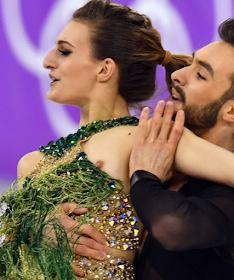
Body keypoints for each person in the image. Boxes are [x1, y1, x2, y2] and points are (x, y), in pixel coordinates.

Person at [1, 0, 234, 279]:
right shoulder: (31, 163)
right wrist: (37, 230)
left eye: (64, 51)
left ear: (104, 69)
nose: (47, 60)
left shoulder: (151, 137)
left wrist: (144, 177)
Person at [129, 18, 234, 280]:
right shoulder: (166, 165)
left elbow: (170, 226)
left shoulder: (227, 194)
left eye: (200, 74)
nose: (177, 74)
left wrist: (143, 176)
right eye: (191, 63)